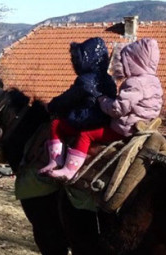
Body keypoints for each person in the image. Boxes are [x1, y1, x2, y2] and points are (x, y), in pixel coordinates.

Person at [39, 37, 118, 180]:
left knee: (56, 125)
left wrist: (52, 106)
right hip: (105, 122)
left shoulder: (84, 80)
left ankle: (56, 161)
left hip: (87, 120)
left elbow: (67, 98)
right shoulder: (109, 79)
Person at [98, 37, 164, 139]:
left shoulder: (135, 83)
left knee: (86, 135)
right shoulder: (155, 81)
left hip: (126, 129)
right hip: (146, 125)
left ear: (133, 61)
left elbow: (117, 109)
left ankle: (75, 151)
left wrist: (103, 101)